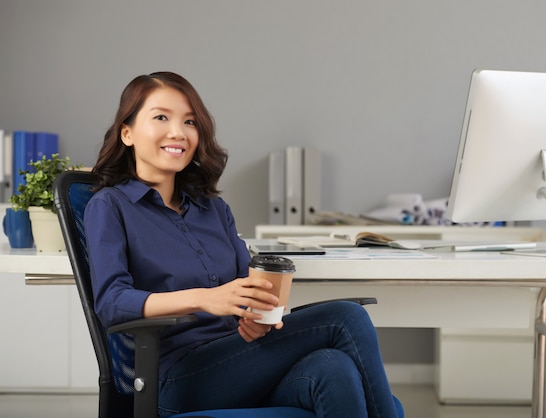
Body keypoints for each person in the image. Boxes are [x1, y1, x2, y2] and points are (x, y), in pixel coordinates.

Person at [84, 71, 404, 418]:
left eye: (190, 121)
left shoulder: (213, 209)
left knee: (333, 368)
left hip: (240, 358)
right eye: (161, 117)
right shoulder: (110, 206)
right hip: (178, 379)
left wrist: (259, 318)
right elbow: (112, 301)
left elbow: (246, 289)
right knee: (347, 317)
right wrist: (206, 298)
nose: (178, 132)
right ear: (127, 132)